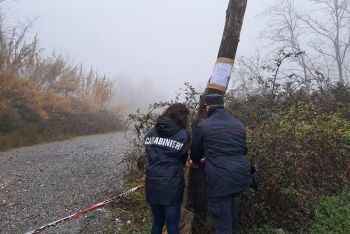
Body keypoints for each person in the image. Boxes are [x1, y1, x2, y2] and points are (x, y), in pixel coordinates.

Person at [190, 94, 252, 234]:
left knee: (223, 222)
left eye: (205, 107)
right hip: (241, 176)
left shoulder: (203, 126)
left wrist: (196, 162)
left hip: (220, 178)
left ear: (208, 107)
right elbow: (242, 149)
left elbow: (195, 154)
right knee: (230, 214)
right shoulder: (239, 124)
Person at [144, 103, 191, 234]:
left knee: (157, 221)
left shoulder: (151, 132)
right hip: (172, 184)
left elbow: (150, 152)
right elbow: (182, 156)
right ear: (183, 117)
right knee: (172, 226)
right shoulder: (183, 134)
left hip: (152, 181)